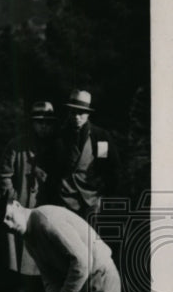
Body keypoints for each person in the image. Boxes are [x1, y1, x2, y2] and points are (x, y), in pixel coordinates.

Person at [0, 102, 53, 292]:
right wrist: (13, 198)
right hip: (20, 205)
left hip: (45, 206)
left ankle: (41, 290)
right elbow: (5, 174)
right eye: (39, 123)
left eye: (47, 123)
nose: (43, 127)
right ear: (32, 123)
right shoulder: (17, 145)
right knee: (19, 250)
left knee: (44, 249)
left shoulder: (56, 146)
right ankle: (20, 290)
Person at [40, 88, 119, 220]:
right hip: (65, 201)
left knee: (90, 238)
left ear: (88, 114)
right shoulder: (59, 137)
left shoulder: (100, 137)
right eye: (73, 112)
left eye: (81, 113)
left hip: (92, 202)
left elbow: (112, 169)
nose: (77, 117)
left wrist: (104, 197)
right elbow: (50, 168)